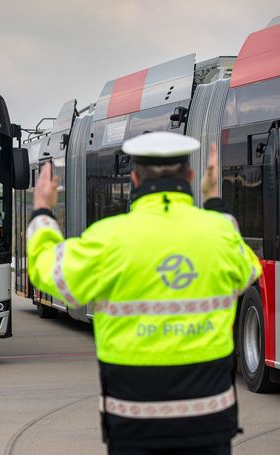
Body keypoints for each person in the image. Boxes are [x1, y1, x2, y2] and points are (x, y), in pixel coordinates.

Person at [26, 132, 261, 454]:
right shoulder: (220, 235)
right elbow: (247, 271)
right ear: (190, 177)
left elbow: (46, 270)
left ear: (134, 178)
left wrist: (42, 212)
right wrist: (216, 205)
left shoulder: (107, 238)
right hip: (210, 423)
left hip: (133, 425)